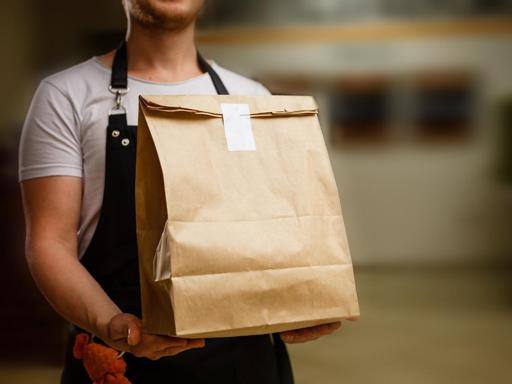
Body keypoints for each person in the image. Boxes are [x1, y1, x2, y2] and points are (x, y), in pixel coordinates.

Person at [19, 0, 344, 383]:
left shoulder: (249, 96)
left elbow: (277, 229)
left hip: (245, 363)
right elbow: (49, 243)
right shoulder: (65, 95)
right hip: (121, 359)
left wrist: (304, 301)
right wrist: (110, 323)